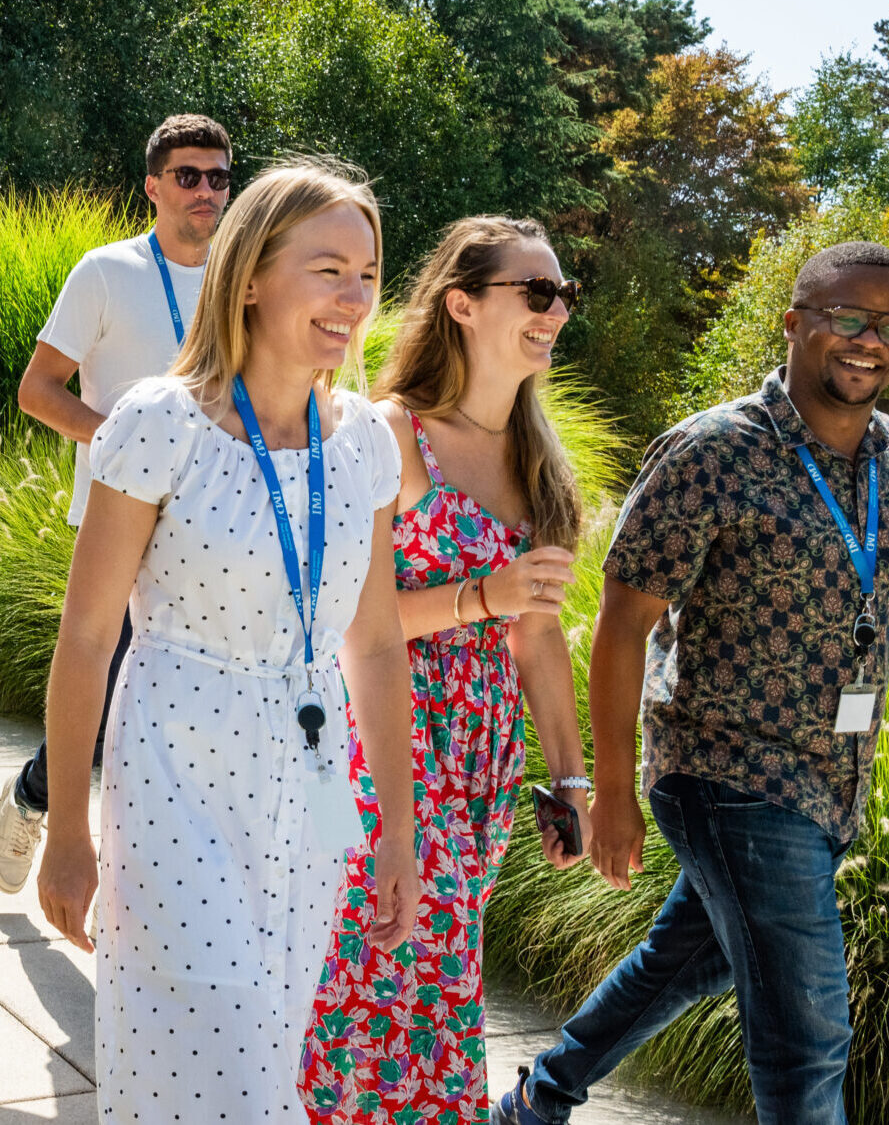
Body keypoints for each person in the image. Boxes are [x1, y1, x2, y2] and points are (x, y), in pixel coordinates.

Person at [493, 241, 889, 1125]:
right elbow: (621, 628)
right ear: (797, 322)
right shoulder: (710, 452)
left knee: (688, 959)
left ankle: (538, 1097)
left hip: (829, 783)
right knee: (810, 1034)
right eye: (846, 316)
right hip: (725, 774)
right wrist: (614, 792)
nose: (868, 340)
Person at [35, 160, 423, 1122]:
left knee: (277, 1026)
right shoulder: (161, 424)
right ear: (250, 273)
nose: (354, 298)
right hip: (177, 758)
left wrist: (396, 835)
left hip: (316, 767)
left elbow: (373, 648)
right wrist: (68, 829)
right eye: (327, 268)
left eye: (367, 274)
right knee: (218, 1030)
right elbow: (87, 637)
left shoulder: (367, 441)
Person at [301, 216, 592, 1122]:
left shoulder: (540, 462)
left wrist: (569, 774)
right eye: (535, 293)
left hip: (481, 764)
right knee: (373, 978)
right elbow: (357, 620)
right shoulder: (391, 434)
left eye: (564, 295)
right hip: (391, 739)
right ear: (462, 305)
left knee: (436, 994)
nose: (555, 312)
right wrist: (485, 595)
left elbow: (539, 638)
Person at [0, 113, 233, 892]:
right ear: (152, 186)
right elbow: (36, 392)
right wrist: (128, 444)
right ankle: (37, 796)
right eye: (187, 176)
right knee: (107, 693)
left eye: (218, 176)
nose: (204, 190)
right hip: (120, 521)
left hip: (219, 525)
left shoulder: (246, 274)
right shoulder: (106, 271)